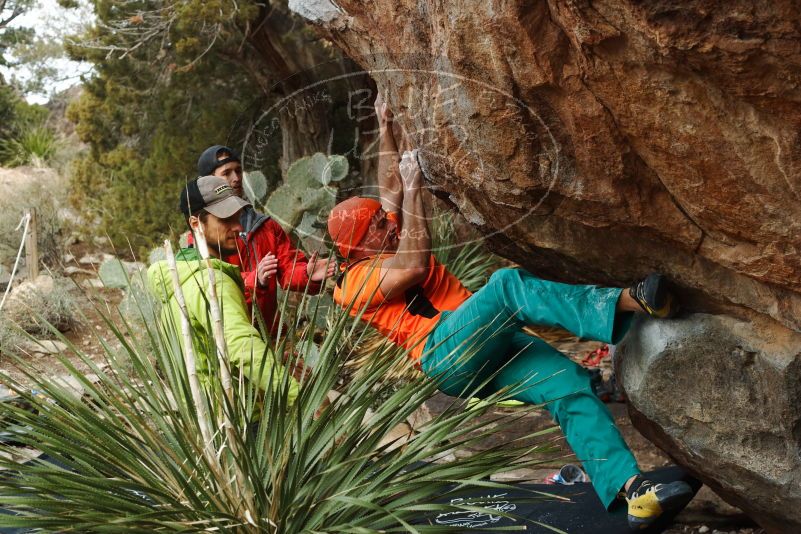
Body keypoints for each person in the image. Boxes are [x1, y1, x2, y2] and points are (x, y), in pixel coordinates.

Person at [327, 96, 692, 529]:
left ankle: (631, 490)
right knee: (506, 286)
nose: (391, 223)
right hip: (445, 351)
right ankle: (629, 301)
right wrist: (415, 187)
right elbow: (414, 265)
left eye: (387, 221)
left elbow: (388, 188)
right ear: (358, 244)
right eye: (379, 226)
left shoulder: (381, 235)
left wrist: (385, 125)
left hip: (482, 338)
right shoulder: (354, 284)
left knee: (567, 384)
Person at [148, 175, 299, 405]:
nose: (238, 227)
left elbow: (205, 352)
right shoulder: (213, 281)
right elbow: (241, 346)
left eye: (237, 217)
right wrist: (299, 397)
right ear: (196, 223)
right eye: (225, 219)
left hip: (207, 415)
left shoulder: (179, 277)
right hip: (239, 417)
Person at [196, 145, 336, 335]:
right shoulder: (202, 234)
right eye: (226, 173)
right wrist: (256, 279)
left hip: (271, 334)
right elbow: (210, 283)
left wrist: (307, 273)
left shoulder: (266, 226)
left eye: (238, 170)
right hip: (227, 340)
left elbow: (288, 268)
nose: (236, 178)